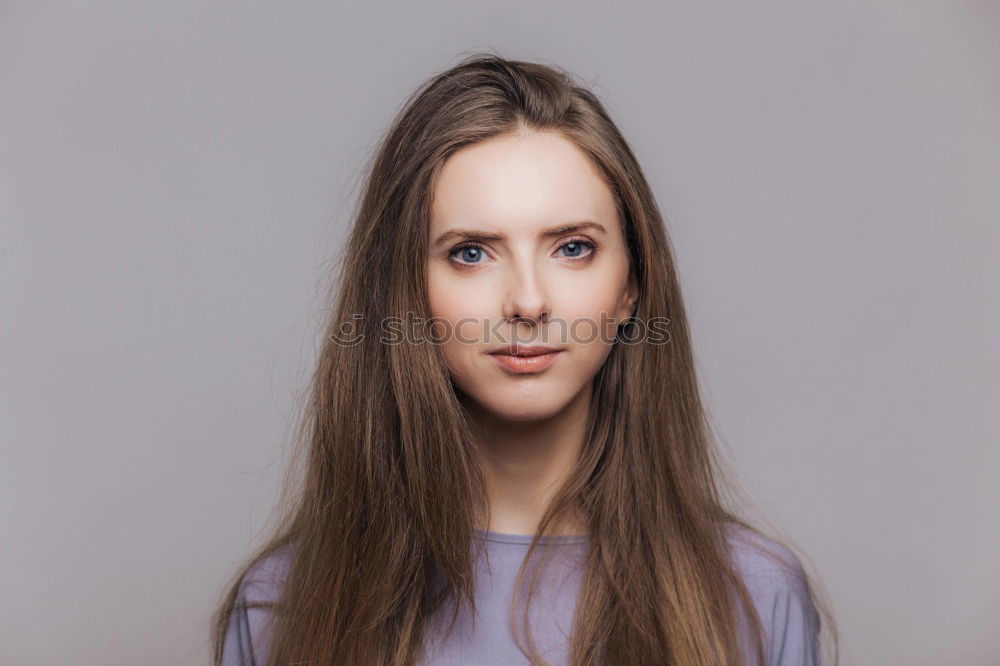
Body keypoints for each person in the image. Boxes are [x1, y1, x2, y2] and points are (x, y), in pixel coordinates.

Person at [211, 52, 837, 666]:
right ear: (403, 293)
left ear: (631, 286)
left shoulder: (754, 597)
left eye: (571, 247)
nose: (529, 302)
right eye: (471, 253)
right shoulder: (280, 610)